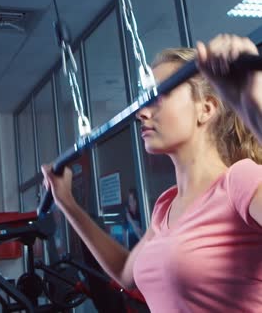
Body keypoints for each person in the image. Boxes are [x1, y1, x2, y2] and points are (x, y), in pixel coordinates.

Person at [42, 34, 262, 312]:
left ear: (205, 109)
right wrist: (68, 204)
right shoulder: (165, 205)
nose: (142, 113)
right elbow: (124, 271)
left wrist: (254, 101)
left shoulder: (239, 182)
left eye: (159, 96)